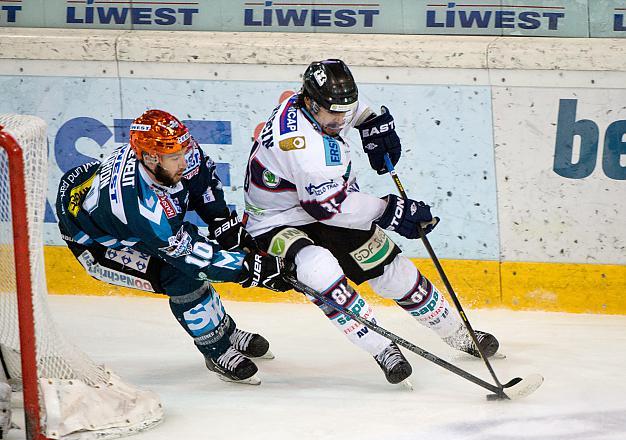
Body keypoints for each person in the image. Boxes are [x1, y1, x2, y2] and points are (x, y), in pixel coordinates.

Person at [243, 59, 499, 385]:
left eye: (345, 111)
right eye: (334, 113)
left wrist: (373, 123)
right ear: (310, 102)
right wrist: (389, 210)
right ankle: (382, 348)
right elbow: (329, 209)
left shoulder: (318, 106)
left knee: (397, 273)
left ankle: (459, 335)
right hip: (277, 221)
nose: (341, 119)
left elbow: (353, 112)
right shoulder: (306, 149)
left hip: (326, 201)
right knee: (320, 270)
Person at [56, 109, 292, 385]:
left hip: (127, 223)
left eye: (183, 151)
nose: (184, 160)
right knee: (181, 276)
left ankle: (225, 330)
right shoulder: (138, 206)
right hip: (100, 247)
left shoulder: (173, 154)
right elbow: (190, 256)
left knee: (190, 266)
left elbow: (201, 182)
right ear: (149, 158)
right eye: (175, 157)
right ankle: (215, 350)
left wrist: (221, 223)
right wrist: (250, 270)